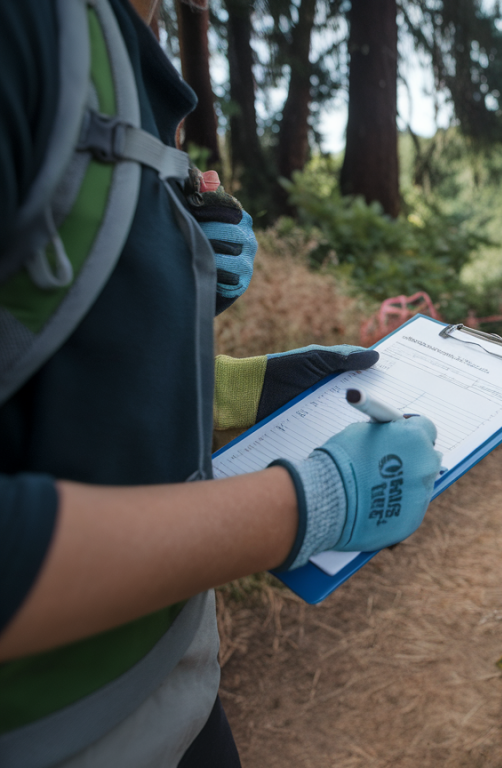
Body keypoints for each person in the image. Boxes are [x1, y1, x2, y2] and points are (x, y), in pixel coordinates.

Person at [0, 0, 441, 765]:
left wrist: (235, 392)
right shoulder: (26, 34)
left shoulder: (128, 48)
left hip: (171, 688)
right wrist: (308, 506)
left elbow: (47, 381)